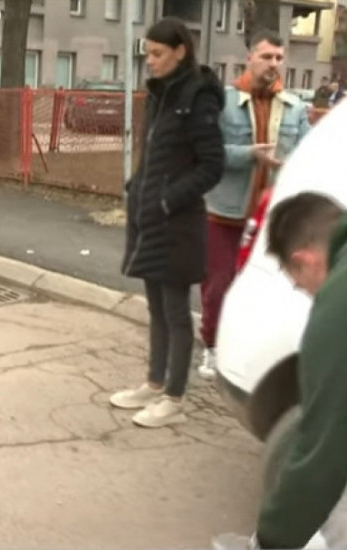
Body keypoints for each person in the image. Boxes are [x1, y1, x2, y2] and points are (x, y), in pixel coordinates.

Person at [109, 17, 225, 428]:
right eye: (148, 53)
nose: (151, 62)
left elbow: (213, 165)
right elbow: (156, 153)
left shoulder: (198, 97)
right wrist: (137, 185)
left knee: (177, 314)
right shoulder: (161, 94)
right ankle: (154, 384)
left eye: (158, 54)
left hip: (177, 223)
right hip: (149, 217)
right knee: (156, 308)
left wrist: (167, 198)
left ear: (181, 51)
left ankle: (174, 397)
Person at [197, 30, 311, 380]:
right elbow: (207, 152)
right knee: (218, 284)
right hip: (224, 213)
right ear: (250, 58)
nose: (273, 64)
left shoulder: (293, 108)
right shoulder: (223, 102)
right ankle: (212, 347)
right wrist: (250, 154)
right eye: (266, 56)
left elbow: (306, 153)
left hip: (271, 217)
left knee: (266, 288)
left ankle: (249, 350)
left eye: (279, 58)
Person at [240, 192, 347, 549]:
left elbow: (324, 447)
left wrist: (272, 538)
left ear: (304, 260)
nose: (306, 293)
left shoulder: (338, 303)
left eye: (299, 284)